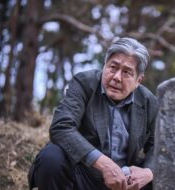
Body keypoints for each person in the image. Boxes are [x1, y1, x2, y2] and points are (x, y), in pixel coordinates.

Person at [28, 37, 158, 190]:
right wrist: (104, 164)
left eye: (126, 72)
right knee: (51, 157)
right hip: (83, 175)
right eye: (113, 67)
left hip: (124, 183)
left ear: (138, 80)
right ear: (104, 65)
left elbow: (159, 145)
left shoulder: (149, 101)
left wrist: (149, 172)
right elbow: (61, 127)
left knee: (160, 175)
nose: (116, 77)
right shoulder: (84, 83)